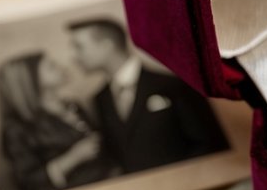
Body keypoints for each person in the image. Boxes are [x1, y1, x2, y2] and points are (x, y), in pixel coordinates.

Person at [67, 18, 229, 175]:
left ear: (106, 45)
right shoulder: (100, 100)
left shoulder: (173, 85)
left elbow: (209, 143)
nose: (73, 56)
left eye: (79, 46)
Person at [0, 52, 110, 190]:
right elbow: (27, 182)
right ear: (31, 80)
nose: (62, 67)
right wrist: (74, 157)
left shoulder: (72, 105)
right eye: (51, 66)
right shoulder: (17, 128)